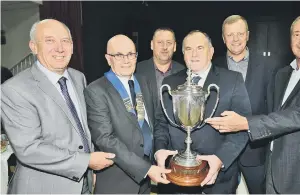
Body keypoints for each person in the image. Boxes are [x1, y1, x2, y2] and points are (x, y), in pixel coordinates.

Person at [206, 13, 300, 194]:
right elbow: (275, 112)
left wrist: (245, 123)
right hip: (274, 171)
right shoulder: (283, 74)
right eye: (297, 34)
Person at [1, 19, 115, 194]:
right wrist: (85, 162)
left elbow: (83, 128)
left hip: (83, 183)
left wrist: (90, 171)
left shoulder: (78, 78)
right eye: (49, 41)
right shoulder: (14, 90)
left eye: (65, 41)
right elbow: (29, 148)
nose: (60, 48)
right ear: (33, 46)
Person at [154, 30, 251, 194]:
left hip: (218, 181)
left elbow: (242, 129)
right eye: (189, 49)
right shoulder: (170, 82)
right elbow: (161, 123)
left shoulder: (232, 80)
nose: (194, 54)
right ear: (183, 54)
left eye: (200, 48)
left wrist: (220, 159)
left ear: (211, 52)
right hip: (176, 176)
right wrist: (160, 150)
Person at [84, 34, 171, 194]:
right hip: (118, 181)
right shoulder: (95, 91)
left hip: (146, 180)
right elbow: (105, 139)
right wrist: (146, 169)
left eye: (131, 54)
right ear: (108, 59)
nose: (126, 60)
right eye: (119, 55)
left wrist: (159, 150)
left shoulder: (144, 81)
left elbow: (154, 122)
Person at [213, 15, 282, 194]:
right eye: (230, 35)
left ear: (248, 35)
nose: (235, 39)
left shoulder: (269, 66)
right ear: (223, 38)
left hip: (255, 150)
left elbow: (274, 110)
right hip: (222, 150)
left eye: (240, 34)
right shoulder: (213, 66)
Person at [136, 27, 184, 100]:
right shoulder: (138, 70)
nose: (164, 47)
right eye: (160, 42)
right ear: (152, 45)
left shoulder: (183, 72)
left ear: (174, 47)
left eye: (169, 43)